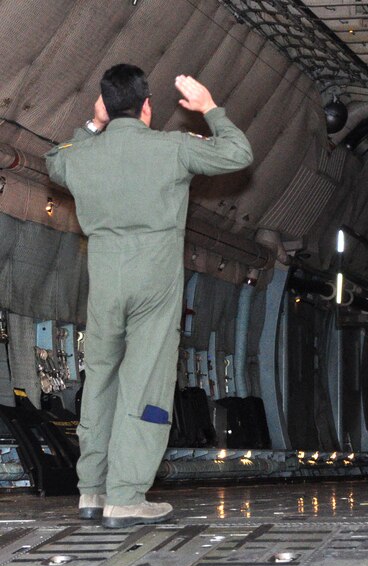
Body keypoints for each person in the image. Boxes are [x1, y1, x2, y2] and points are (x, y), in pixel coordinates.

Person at [45, 64, 253, 528]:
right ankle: (126, 495)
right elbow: (238, 153)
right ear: (146, 107)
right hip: (154, 287)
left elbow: (52, 160)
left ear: (104, 103)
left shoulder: (82, 154)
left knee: (99, 383)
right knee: (146, 384)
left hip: (105, 283)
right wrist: (210, 109)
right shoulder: (172, 148)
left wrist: (93, 124)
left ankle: (92, 492)